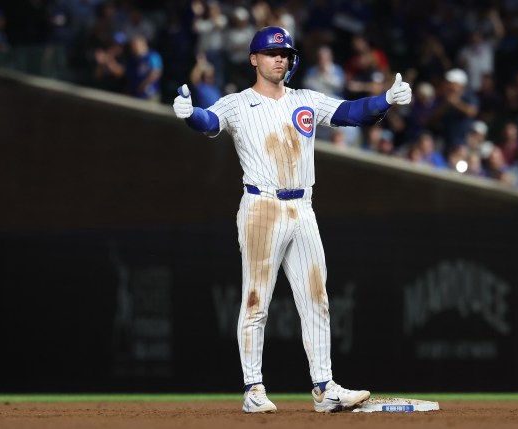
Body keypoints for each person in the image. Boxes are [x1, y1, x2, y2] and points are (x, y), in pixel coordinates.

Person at [172, 26, 411, 413]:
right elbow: (209, 122)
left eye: (283, 52)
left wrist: (385, 99)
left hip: (303, 207)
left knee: (316, 298)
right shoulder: (237, 103)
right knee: (256, 301)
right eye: (270, 53)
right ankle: (253, 389)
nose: (279, 58)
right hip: (262, 206)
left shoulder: (304, 100)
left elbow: (350, 113)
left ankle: (324, 387)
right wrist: (190, 115)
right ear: (254, 59)